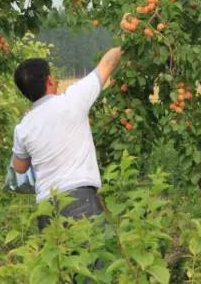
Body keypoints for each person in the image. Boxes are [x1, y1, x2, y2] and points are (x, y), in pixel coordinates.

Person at [11, 47, 122, 230]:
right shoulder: (72, 100)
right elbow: (109, 63)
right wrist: (127, 38)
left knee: (60, 258)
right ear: (49, 80)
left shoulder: (23, 128)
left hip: (46, 209)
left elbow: (19, 167)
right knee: (93, 255)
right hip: (80, 200)